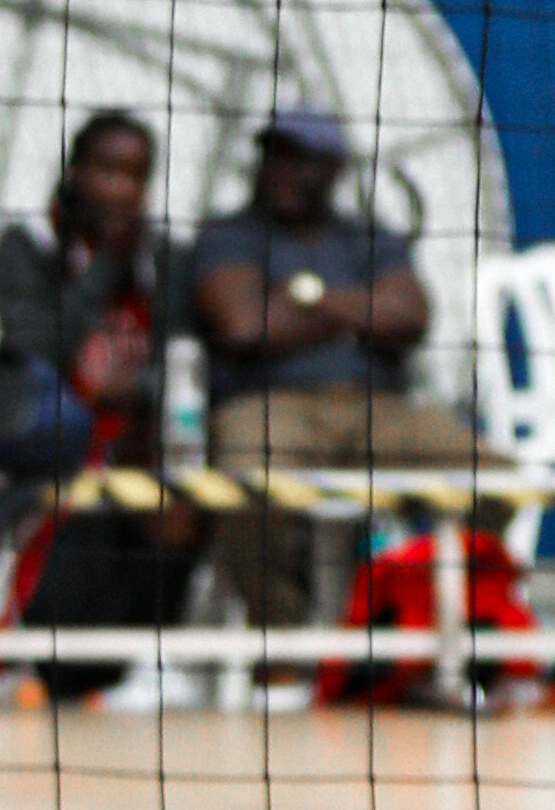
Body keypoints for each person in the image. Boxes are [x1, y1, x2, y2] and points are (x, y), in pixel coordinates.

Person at [190, 98, 490, 640]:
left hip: (377, 407)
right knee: (247, 473)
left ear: (332, 170)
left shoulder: (369, 237)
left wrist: (304, 298)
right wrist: (358, 310)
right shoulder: (227, 235)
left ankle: (410, 617)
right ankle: (281, 639)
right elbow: (242, 326)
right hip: (267, 406)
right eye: (274, 155)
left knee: (492, 476)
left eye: (301, 159)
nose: (283, 171)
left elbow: (411, 315)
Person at [0, 113, 202, 674]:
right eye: (107, 171)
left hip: (132, 439)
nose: (121, 189)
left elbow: (177, 356)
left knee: (181, 486)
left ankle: (154, 660)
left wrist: (137, 392)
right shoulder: (28, 245)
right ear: (76, 171)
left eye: (135, 175)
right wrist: (105, 265)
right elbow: (36, 345)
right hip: (44, 431)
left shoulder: (165, 259)